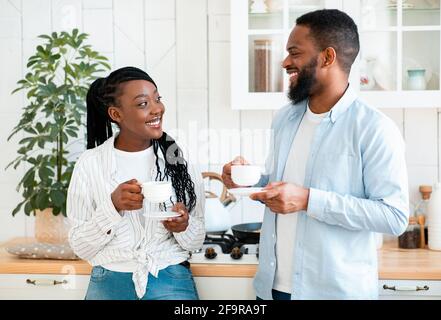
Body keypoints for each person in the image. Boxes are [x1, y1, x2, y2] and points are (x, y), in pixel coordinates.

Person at [222, 9, 408, 300]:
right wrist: (247, 182)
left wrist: (310, 200)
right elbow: (282, 183)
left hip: (334, 293)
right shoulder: (285, 118)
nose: (285, 62)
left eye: (294, 53)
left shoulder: (375, 129)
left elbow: (394, 216)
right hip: (272, 289)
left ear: (327, 57)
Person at [67, 66, 205, 300]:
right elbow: (81, 247)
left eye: (157, 99)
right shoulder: (89, 164)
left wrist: (184, 226)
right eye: (143, 104)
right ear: (116, 114)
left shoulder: (180, 159)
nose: (157, 109)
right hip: (109, 280)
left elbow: (196, 239)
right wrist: (112, 207)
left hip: (168, 276)